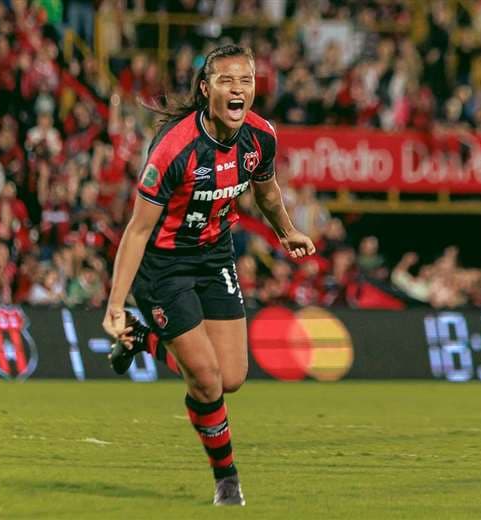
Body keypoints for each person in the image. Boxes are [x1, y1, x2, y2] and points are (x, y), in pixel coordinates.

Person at [102, 45, 315, 506]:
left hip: (214, 256)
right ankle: (227, 479)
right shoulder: (174, 148)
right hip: (163, 265)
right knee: (205, 380)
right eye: (226, 80)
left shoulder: (260, 138)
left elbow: (268, 193)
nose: (238, 89)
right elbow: (137, 231)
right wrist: (115, 304)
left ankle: (141, 341)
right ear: (206, 89)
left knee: (232, 377)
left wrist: (287, 230)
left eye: (246, 80)